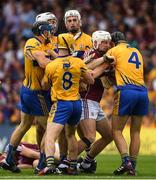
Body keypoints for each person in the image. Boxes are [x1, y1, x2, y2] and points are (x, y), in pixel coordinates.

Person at [91, 31, 149, 176]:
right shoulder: (137, 51)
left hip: (126, 91)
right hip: (142, 92)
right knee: (135, 132)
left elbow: (97, 70)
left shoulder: (114, 50)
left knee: (116, 131)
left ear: (113, 43)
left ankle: (126, 162)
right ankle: (132, 166)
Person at [1, 21, 55, 173]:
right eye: (48, 30)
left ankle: (9, 158)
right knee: (50, 128)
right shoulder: (32, 42)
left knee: (24, 125)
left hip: (27, 90)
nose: (50, 32)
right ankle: (42, 163)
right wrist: (56, 60)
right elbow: (44, 63)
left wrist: (51, 54)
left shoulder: (46, 45)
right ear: (42, 31)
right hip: (37, 93)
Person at [39, 33, 94, 175]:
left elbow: (44, 85)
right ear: (70, 45)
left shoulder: (52, 65)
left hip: (61, 104)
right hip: (76, 104)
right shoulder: (78, 62)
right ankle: (73, 166)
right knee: (71, 135)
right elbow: (90, 81)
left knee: (50, 136)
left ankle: (50, 165)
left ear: (58, 45)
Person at [58, 9, 92, 161]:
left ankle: (66, 159)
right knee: (63, 130)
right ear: (65, 24)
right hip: (63, 92)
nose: (72, 23)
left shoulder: (89, 40)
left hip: (83, 92)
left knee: (79, 131)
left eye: (74, 20)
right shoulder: (59, 39)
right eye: (69, 20)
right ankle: (65, 158)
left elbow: (92, 64)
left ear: (80, 22)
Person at [77, 31, 113, 173]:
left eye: (108, 42)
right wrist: (105, 65)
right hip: (86, 99)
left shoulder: (102, 55)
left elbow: (107, 84)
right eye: (104, 42)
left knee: (109, 136)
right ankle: (68, 161)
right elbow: (88, 70)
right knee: (90, 136)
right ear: (96, 42)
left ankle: (87, 163)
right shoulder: (93, 54)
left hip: (95, 102)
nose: (107, 44)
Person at [34, 12, 59, 174]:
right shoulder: (37, 43)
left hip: (55, 89)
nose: (52, 25)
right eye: (49, 22)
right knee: (39, 127)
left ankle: (46, 159)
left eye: (54, 21)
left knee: (52, 127)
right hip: (42, 89)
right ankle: (42, 156)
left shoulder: (61, 40)